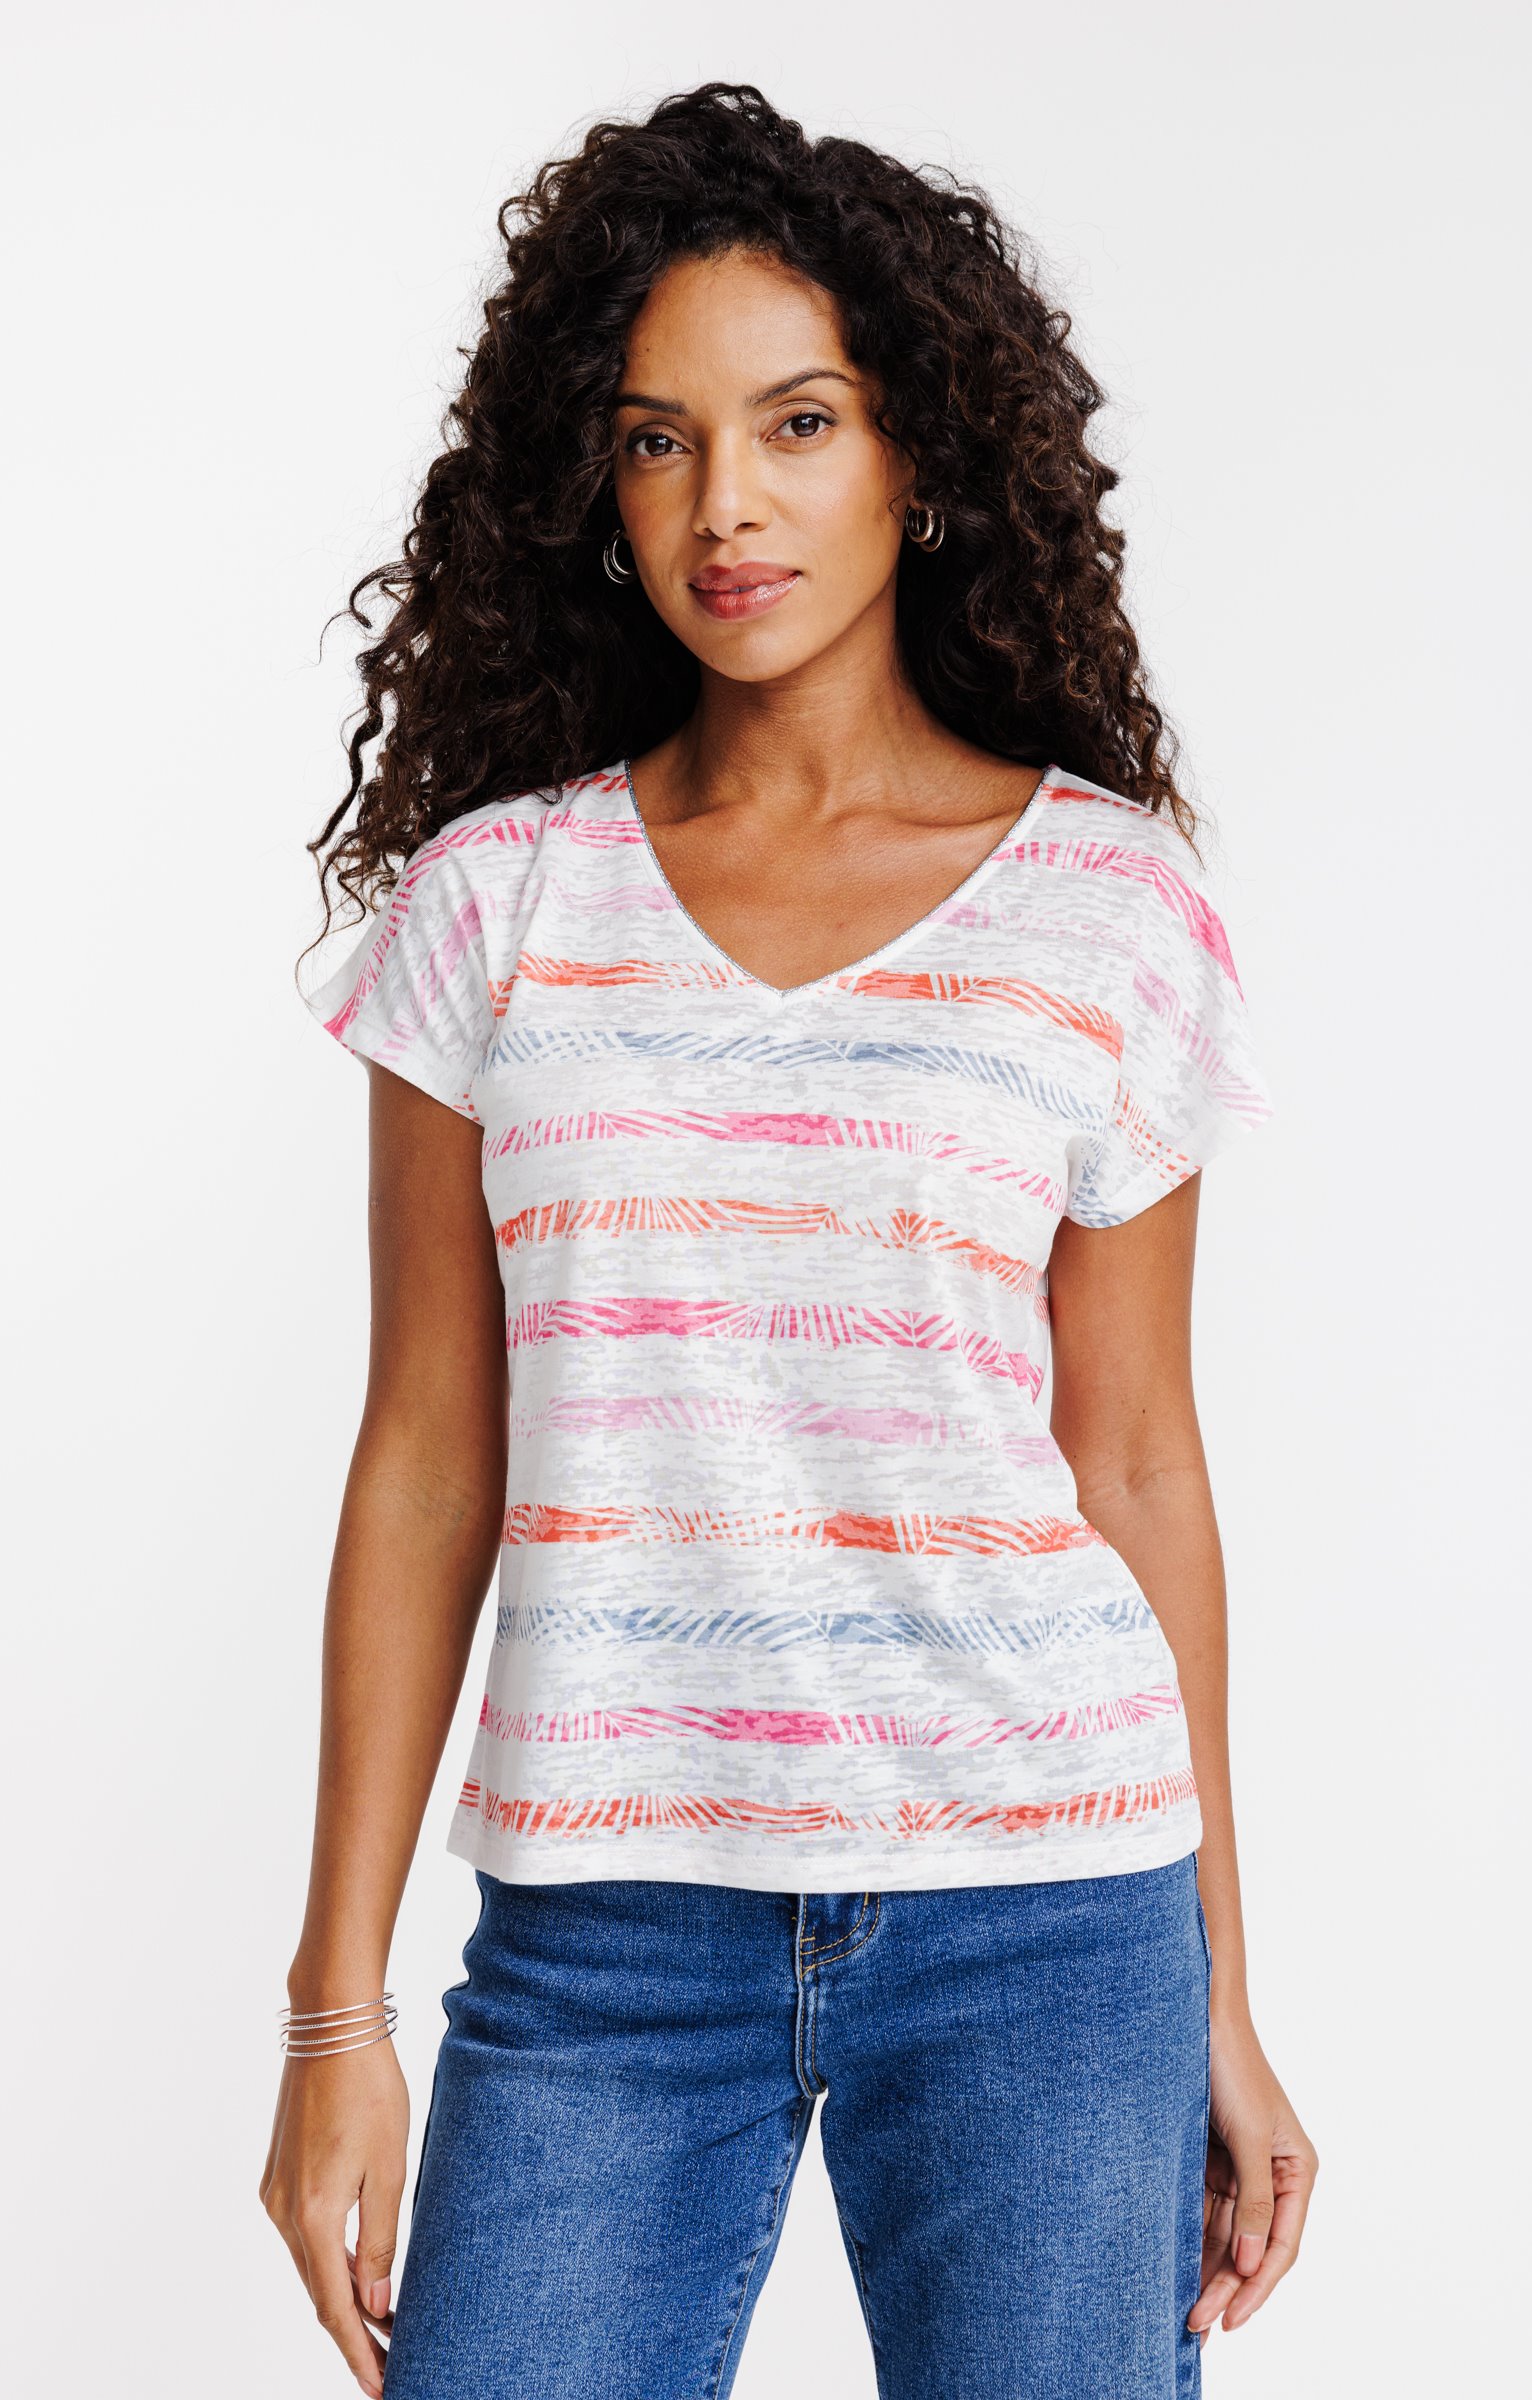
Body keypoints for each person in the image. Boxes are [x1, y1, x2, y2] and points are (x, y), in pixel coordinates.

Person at [260, 80, 1317, 2400]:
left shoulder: (1108, 903)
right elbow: (425, 1460)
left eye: (796, 422)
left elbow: (1138, 1461)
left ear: (916, 454)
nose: (723, 503)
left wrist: (1223, 1993)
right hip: (607, 1939)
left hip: (1049, 1912)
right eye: (658, 441)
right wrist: (336, 2015)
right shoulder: (496, 907)